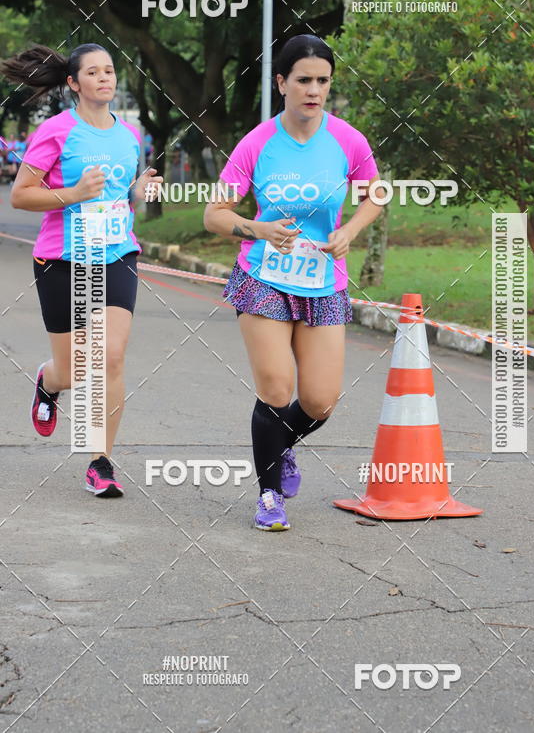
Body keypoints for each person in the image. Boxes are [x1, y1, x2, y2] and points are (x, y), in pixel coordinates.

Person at [204, 34, 384, 531]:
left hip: (324, 280)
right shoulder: (257, 143)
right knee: (277, 389)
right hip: (263, 276)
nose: (314, 90)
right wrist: (257, 229)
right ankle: (268, 497)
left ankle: (280, 444)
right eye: (304, 80)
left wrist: (349, 231)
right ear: (282, 83)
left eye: (323, 81)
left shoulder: (348, 141)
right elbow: (214, 214)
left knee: (320, 401)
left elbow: (375, 196)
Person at [2, 43, 162, 498]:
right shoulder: (56, 131)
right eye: (93, 72)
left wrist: (138, 192)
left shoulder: (128, 135)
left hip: (116, 254)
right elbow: (21, 195)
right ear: (73, 83)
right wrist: (72, 194)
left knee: (110, 356)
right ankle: (49, 381)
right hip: (62, 258)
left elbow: (118, 196)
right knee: (75, 370)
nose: (104, 77)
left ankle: (100, 462)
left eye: (109, 70)